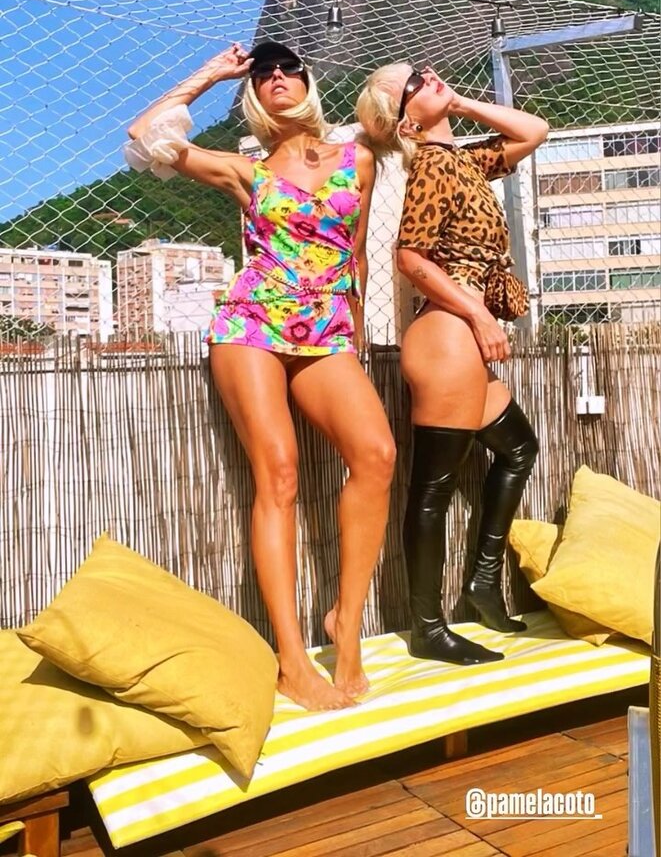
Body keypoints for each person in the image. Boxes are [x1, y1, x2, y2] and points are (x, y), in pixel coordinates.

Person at [125, 41, 396, 709]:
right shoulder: (244, 170)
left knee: (376, 454)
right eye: (264, 71)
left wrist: (355, 331)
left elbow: (356, 255)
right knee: (277, 473)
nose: (276, 76)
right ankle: (291, 661)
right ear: (253, 94)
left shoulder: (356, 159)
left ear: (307, 83)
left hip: (326, 329)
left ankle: (346, 624)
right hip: (251, 326)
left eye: (288, 68)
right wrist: (213, 73)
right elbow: (145, 133)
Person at [356, 63, 548, 665]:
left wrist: (459, 103)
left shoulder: (462, 159)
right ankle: (427, 627)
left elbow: (534, 130)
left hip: (460, 332)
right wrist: (481, 316)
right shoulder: (433, 166)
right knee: (432, 490)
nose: (428, 77)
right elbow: (411, 257)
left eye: (423, 71)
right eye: (413, 85)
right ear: (405, 122)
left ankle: (482, 584)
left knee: (519, 449)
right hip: (448, 334)